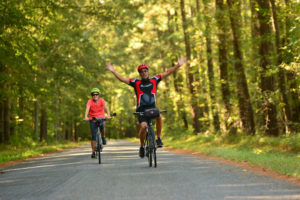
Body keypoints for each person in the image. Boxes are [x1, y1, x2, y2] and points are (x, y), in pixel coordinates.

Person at [107, 58, 186, 158]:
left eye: (145, 70)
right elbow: (123, 79)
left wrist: (178, 65)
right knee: (144, 127)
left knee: (159, 116)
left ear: (148, 72)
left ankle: (158, 138)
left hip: (152, 108)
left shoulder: (154, 80)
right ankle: (142, 146)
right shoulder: (136, 83)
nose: (144, 73)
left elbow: (167, 73)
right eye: (141, 71)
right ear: (139, 74)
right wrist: (114, 72)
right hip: (141, 110)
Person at [84, 88, 111, 158]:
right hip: (93, 119)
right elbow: (87, 108)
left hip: (101, 118)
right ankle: (93, 152)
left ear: (99, 95)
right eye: (93, 94)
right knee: (93, 136)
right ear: (92, 95)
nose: (95, 95)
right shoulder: (89, 101)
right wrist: (86, 116)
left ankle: (103, 137)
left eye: (96, 94)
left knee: (102, 128)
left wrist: (108, 115)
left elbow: (106, 108)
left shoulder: (102, 100)